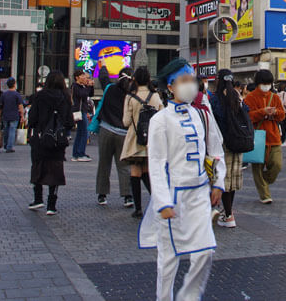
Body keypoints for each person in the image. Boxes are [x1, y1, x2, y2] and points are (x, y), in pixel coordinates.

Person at [139, 59, 225, 301]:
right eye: (184, 80)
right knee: (168, 260)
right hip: (173, 195)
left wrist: (218, 182)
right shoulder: (160, 120)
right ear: (170, 86)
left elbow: (215, 150)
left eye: (192, 80)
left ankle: (188, 297)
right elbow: (155, 163)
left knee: (206, 251)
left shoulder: (200, 115)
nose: (190, 85)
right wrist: (162, 201)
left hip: (199, 195)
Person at [27, 70, 76, 216]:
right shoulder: (66, 97)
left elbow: (32, 118)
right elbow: (69, 121)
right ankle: (51, 204)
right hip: (58, 139)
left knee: (38, 165)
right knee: (55, 169)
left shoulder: (39, 96)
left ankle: (37, 198)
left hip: (41, 137)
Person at [121, 67, 162, 219]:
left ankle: (138, 208)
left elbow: (125, 122)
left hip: (134, 139)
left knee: (135, 172)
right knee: (147, 171)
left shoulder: (131, 97)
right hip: (151, 139)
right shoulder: (155, 96)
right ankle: (157, 201)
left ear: (135, 79)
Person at [210, 69, 249, 228]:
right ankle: (228, 212)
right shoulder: (238, 97)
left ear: (218, 80)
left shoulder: (215, 99)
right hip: (238, 141)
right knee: (232, 180)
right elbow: (246, 113)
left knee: (222, 178)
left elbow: (213, 119)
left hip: (221, 143)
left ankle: (227, 214)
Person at [244, 69, 285, 204]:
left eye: (269, 83)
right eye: (264, 83)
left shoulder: (275, 97)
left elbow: (282, 115)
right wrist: (262, 112)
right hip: (257, 137)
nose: (266, 86)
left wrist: (275, 112)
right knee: (258, 167)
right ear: (258, 83)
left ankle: (265, 180)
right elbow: (247, 117)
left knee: (277, 164)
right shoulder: (250, 98)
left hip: (273, 137)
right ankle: (265, 195)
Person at [96, 67, 134, 208]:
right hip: (123, 134)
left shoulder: (110, 88)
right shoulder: (131, 94)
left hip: (106, 130)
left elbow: (103, 78)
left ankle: (102, 195)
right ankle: (127, 196)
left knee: (104, 164)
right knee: (124, 166)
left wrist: (104, 66)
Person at [71, 70, 95, 161]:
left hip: (83, 111)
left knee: (80, 133)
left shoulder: (83, 86)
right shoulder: (75, 86)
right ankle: (80, 154)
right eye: (83, 76)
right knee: (84, 133)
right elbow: (83, 94)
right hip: (79, 111)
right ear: (77, 77)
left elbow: (90, 94)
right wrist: (88, 87)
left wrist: (90, 86)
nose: (85, 78)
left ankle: (76, 154)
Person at [0, 78, 25, 153]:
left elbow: (1, 106)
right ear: (14, 84)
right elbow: (20, 106)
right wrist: (22, 116)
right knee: (12, 130)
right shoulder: (17, 94)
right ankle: (9, 146)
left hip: (5, 115)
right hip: (14, 115)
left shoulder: (4, 94)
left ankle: (5, 144)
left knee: (6, 130)